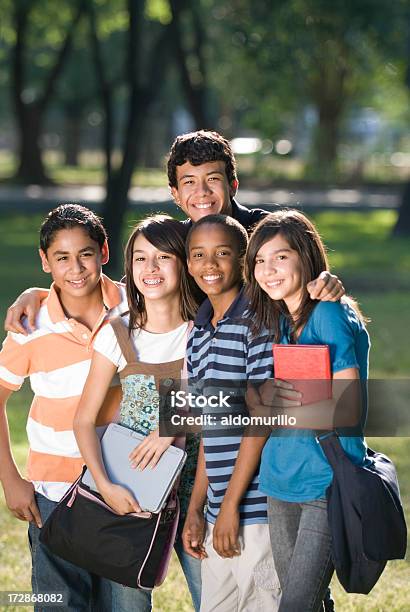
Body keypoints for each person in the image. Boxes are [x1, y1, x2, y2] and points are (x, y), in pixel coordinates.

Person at [4, 131, 344, 333]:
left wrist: (326, 283)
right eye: (189, 183)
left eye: (213, 179)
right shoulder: (176, 240)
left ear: (233, 184)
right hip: (203, 367)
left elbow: (312, 289)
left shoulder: (268, 232)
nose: (202, 194)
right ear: (175, 194)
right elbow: (131, 290)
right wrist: (42, 294)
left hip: (271, 361)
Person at [0, 204, 127, 610]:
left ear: (104, 252)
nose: (76, 268)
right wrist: (11, 480)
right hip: (53, 492)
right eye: (62, 258)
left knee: (122, 603)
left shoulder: (136, 308)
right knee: (59, 602)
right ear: (44, 262)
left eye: (85, 254)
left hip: (124, 487)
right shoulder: (30, 326)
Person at [73, 215, 202, 611]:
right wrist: (106, 486)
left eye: (163, 257)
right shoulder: (118, 331)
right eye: (140, 258)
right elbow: (82, 420)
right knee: (127, 605)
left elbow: (235, 399)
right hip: (132, 491)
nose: (151, 268)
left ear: (184, 263)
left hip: (202, 488)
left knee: (216, 599)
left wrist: (173, 424)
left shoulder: (206, 329)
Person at [243, 209, 370, 612]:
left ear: (306, 256)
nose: (268, 270)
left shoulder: (330, 313)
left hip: (325, 479)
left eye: (280, 257)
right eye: (260, 261)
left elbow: (349, 405)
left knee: (295, 604)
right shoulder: (281, 318)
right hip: (280, 477)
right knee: (308, 600)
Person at [182, 214, 281, 611]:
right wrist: (197, 509)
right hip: (216, 510)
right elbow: (213, 427)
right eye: (199, 255)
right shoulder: (200, 331)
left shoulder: (258, 322)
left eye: (222, 253)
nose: (210, 264)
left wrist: (231, 507)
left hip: (255, 509)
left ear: (243, 260)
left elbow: (262, 420)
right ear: (188, 263)